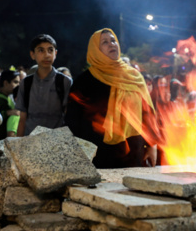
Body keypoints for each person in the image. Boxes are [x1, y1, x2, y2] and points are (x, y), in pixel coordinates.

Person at [65, 28, 159, 168]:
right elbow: (73, 119)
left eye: (113, 40)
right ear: (95, 49)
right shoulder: (84, 81)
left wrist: (152, 146)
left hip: (133, 151)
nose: (111, 44)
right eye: (105, 42)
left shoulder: (134, 76)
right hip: (98, 153)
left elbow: (147, 113)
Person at [15, 34, 72, 136]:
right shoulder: (26, 83)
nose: (47, 55)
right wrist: (17, 144)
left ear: (55, 53)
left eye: (50, 50)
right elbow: (22, 119)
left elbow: (70, 117)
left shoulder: (64, 82)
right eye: (41, 50)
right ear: (32, 54)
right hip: (30, 140)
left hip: (56, 142)